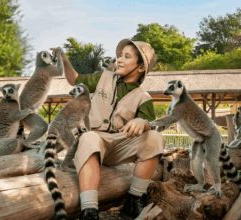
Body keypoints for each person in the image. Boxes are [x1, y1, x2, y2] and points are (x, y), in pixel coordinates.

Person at [53, 39, 164, 220]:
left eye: (126, 57)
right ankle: (89, 210)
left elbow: (152, 124)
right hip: (96, 141)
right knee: (89, 137)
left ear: (141, 67)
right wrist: (64, 59)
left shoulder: (144, 97)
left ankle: (134, 199)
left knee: (156, 138)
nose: (119, 59)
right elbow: (74, 80)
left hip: (120, 147)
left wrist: (141, 121)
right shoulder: (102, 77)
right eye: (119, 55)